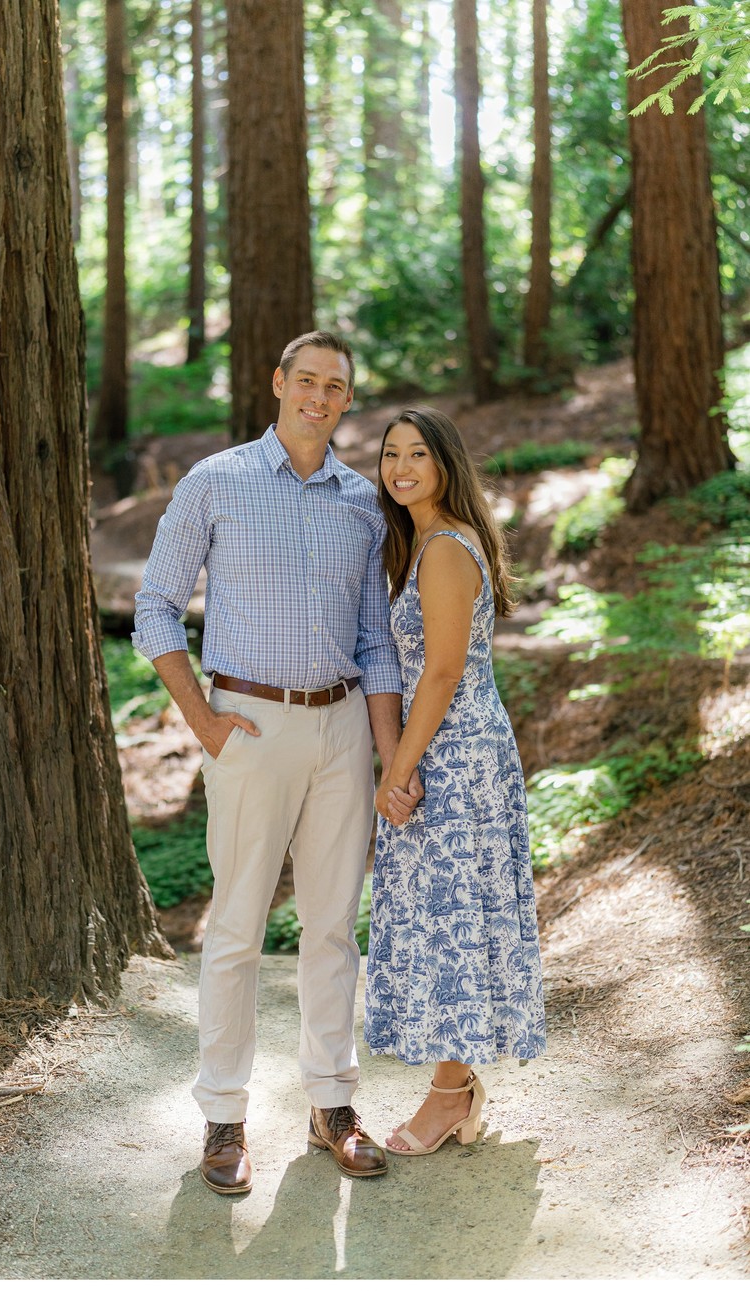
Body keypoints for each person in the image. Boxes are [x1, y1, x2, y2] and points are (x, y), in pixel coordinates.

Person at [133, 331, 421, 1194]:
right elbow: (155, 606)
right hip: (248, 727)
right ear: (278, 383)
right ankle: (223, 1117)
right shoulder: (214, 481)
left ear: (346, 401)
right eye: (307, 380)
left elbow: (375, 641)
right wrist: (204, 721)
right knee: (236, 927)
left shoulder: (363, 501)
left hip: (342, 729)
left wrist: (388, 757)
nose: (319, 397)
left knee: (331, 927)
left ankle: (332, 1104)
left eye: (335, 386)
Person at [364, 407, 546, 1156]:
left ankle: (448, 1095)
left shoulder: (442, 548)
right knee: (449, 914)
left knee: (451, 914)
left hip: (454, 753)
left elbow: (441, 672)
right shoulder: (425, 542)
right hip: (452, 745)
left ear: (445, 464)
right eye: (390, 454)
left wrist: (398, 770)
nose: (401, 467)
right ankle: (457, 1084)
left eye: (417, 454)